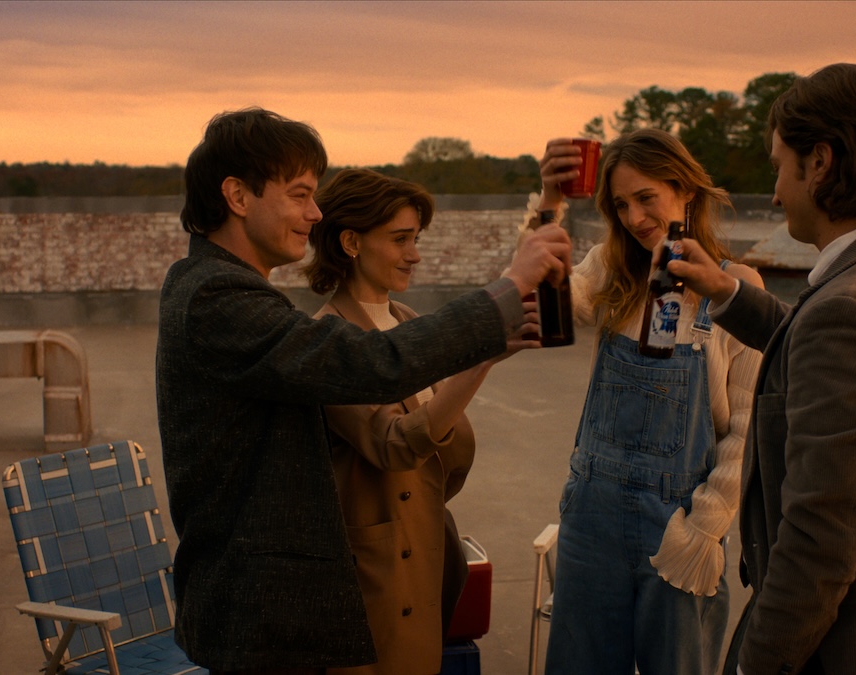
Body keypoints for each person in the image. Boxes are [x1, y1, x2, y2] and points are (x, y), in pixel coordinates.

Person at [156, 108, 570, 675]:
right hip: (262, 616)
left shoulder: (223, 290)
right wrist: (509, 287)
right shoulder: (218, 298)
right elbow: (373, 362)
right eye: (300, 195)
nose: (314, 213)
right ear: (237, 195)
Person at [669, 64, 856, 675]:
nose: (776, 194)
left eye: (780, 167)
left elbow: (820, 539)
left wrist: (756, 663)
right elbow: (824, 355)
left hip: (843, 649)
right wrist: (727, 291)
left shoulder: (848, 315)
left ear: (820, 163)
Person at [532, 128, 764, 675]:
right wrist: (548, 204)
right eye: (621, 205)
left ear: (685, 190)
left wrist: (703, 529)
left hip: (678, 523)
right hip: (593, 515)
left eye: (645, 198)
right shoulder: (610, 269)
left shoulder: (734, 287)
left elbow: (747, 428)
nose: (634, 218)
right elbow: (539, 310)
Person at [302, 168, 517, 675]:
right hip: (373, 577)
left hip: (423, 557)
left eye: (415, 239)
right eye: (400, 239)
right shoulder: (328, 339)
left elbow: (445, 458)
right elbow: (395, 445)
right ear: (351, 242)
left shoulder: (407, 321)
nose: (414, 254)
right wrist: (481, 361)